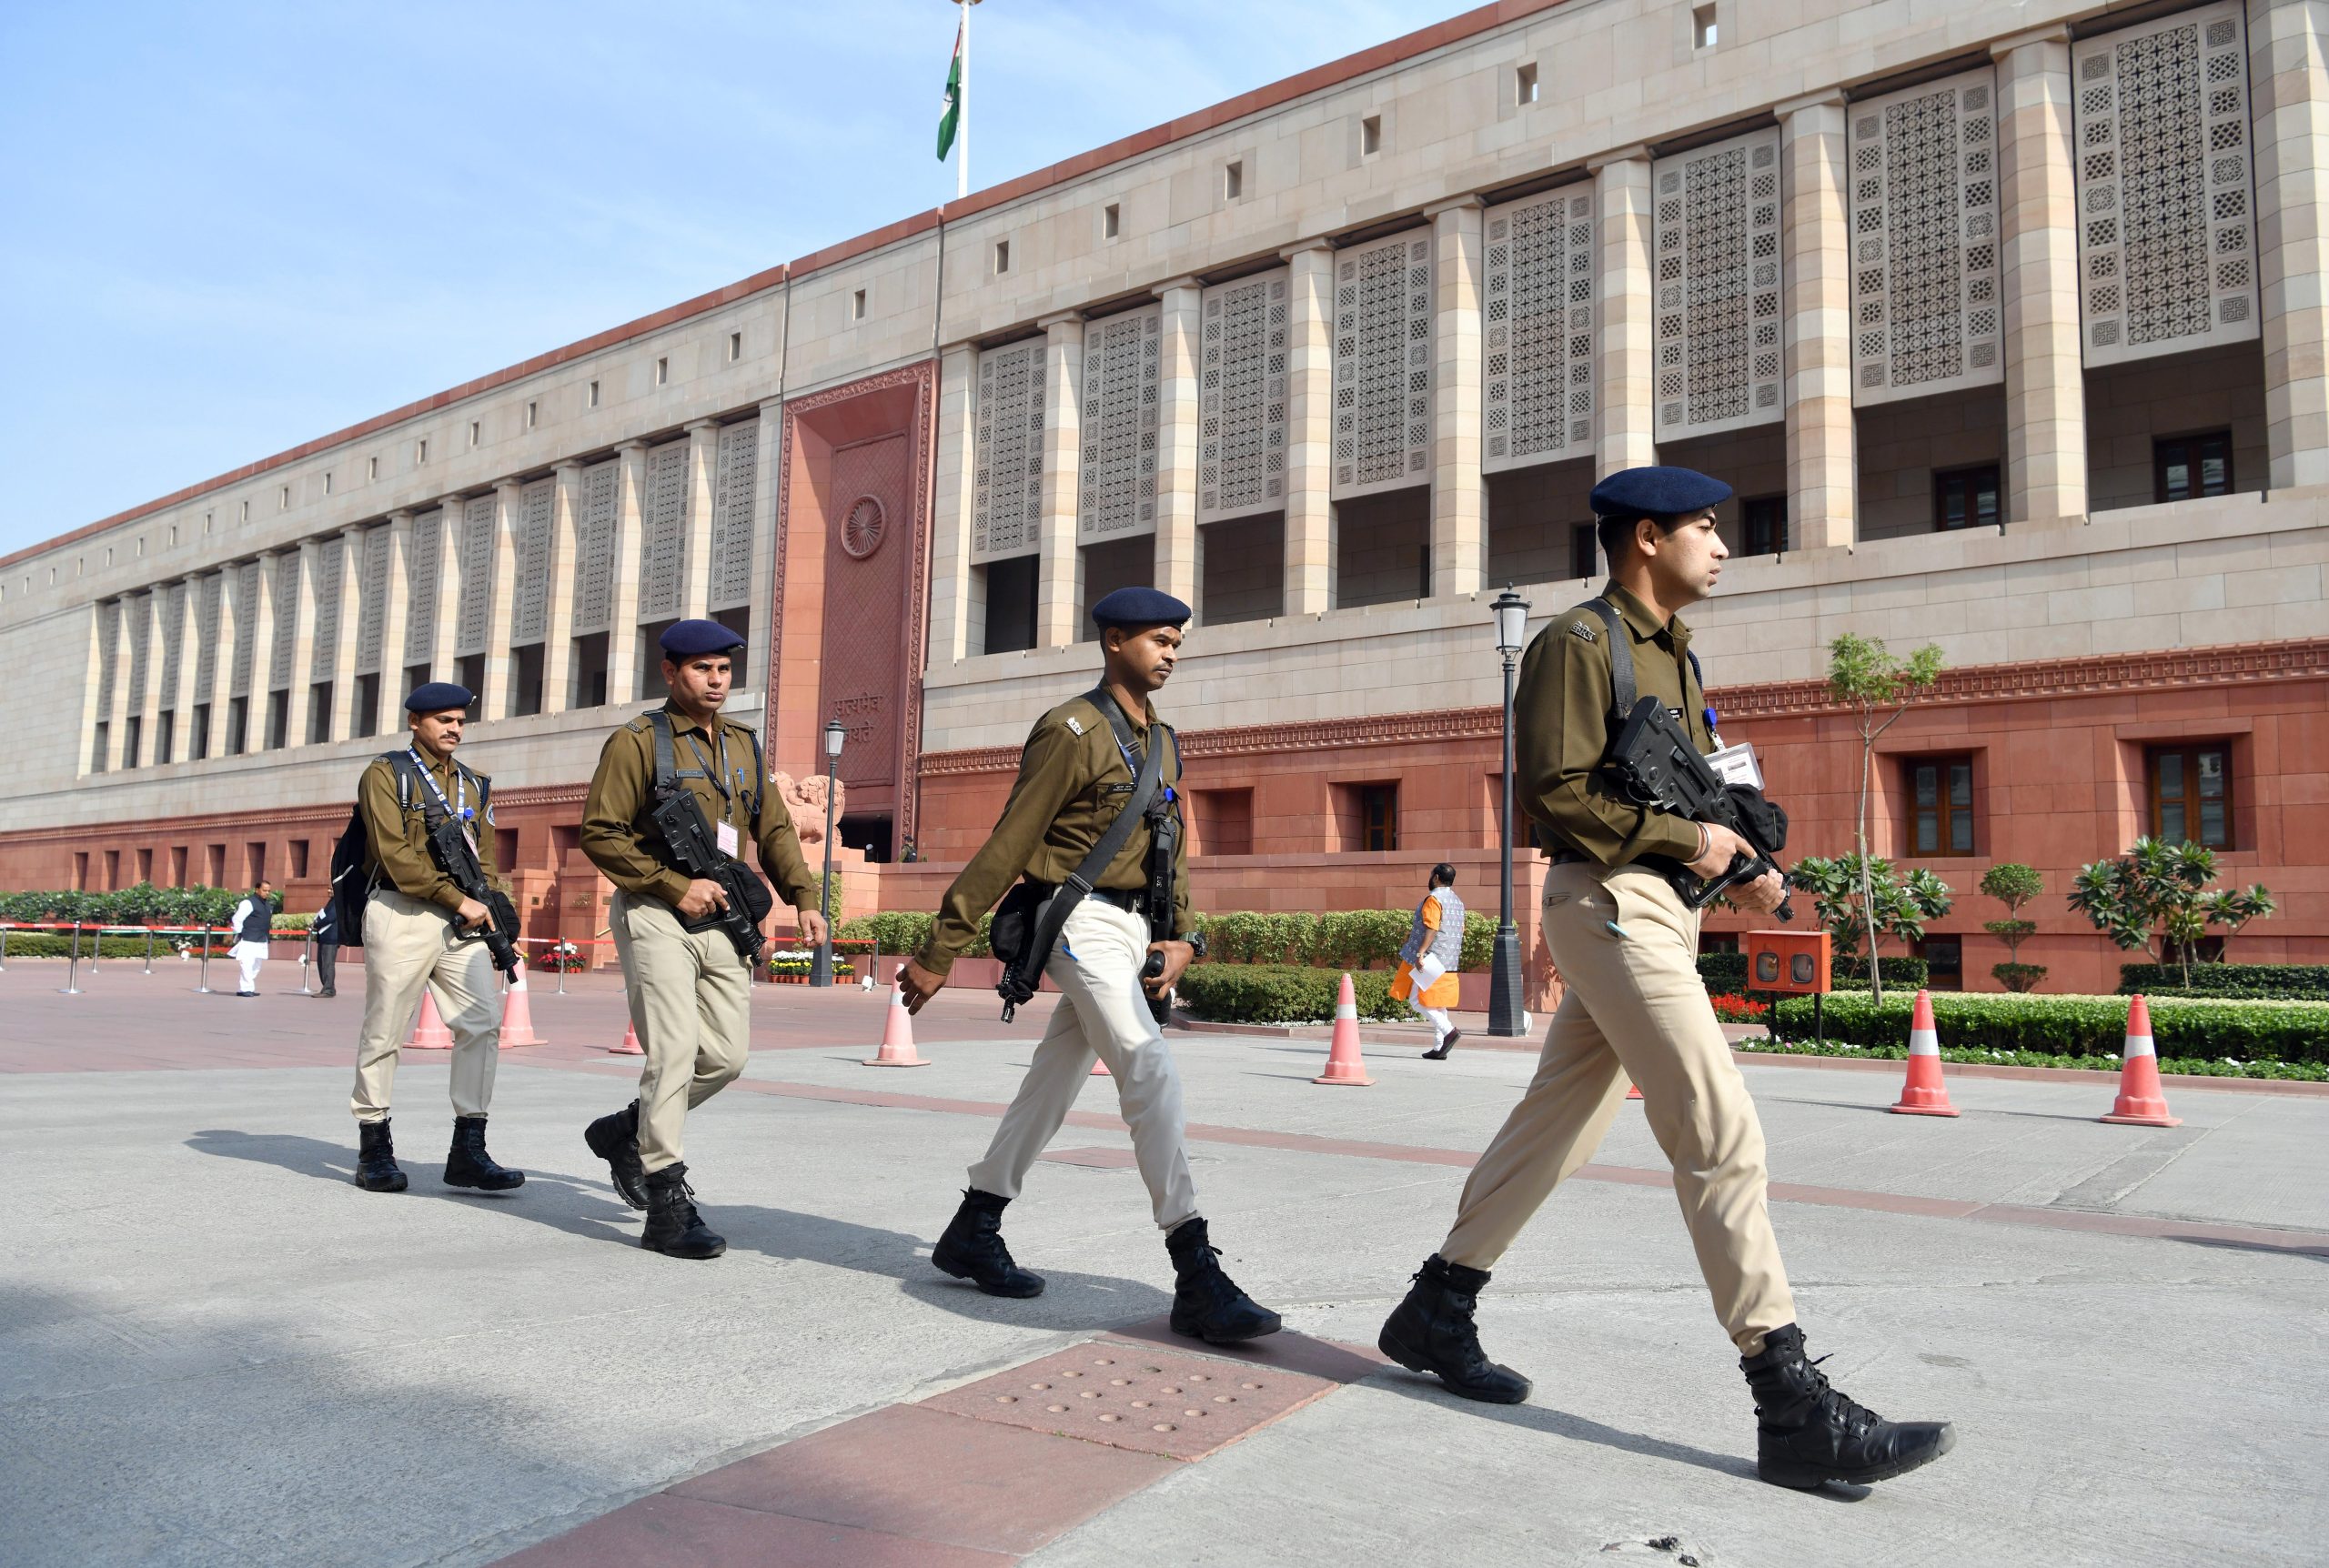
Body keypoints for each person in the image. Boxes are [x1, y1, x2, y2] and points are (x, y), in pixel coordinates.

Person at [1375, 467, 1954, 1491]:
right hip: (1609, 904)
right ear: (1645, 537)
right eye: (1702, 527)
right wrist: (1696, 839)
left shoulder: (1677, 657)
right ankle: (1790, 1399)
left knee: (1555, 1123)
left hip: (1655, 911)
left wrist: (1745, 864)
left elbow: (1688, 798)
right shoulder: (1577, 641)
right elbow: (1553, 794)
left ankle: (1437, 1305)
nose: (1721, 545)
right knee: (1717, 1130)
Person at [896, 587, 1279, 1345]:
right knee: (1148, 1065)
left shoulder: (1165, 740)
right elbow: (1010, 842)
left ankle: (975, 1226)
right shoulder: (1069, 731)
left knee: (1055, 1079)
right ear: (1113, 640)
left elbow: (1173, 849)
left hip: (1134, 930)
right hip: (1077, 920)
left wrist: (1184, 938)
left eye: (1177, 643)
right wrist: (942, 948)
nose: (1172, 653)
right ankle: (1194, 1267)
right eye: (1159, 640)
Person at [580, 619, 828, 1260]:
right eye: (701, 670)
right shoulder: (637, 742)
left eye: (723, 670)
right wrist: (670, 885)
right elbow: (601, 833)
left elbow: (773, 827)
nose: (716, 681)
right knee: (671, 1053)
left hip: (721, 917)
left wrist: (803, 897)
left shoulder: (743, 744)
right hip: (657, 912)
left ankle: (624, 1132)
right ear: (670, 672)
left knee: (724, 1057)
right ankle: (666, 1204)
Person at [346, 681, 523, 1196]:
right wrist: (459, 900)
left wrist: (487, 904)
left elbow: (484, 858)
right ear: (415, 723)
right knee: (385, 1029)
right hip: (402, 912)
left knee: (482, 1022)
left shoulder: (476, 783)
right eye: (443, 720)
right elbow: (395, 855)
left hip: (462, 919)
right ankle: (373, 1146)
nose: (453, 728)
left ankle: (468, 1148)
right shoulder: (387, 774)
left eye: (460, 721)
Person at [1394, 863, 1465, 1059]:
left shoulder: (1434, 899)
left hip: (1431, 958)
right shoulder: (1457, 901)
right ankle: (1439, 1047)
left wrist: (1420, 953)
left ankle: (1449, 1031)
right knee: (1439, 1003)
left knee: (1417, 1001)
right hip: (1449, 959)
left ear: (1436, 878)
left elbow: (1431, 928)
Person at [229, 880, 274, 997]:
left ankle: (246, 987)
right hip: (249, 938)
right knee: (247, 964)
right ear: (257, 890)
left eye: (269, 891)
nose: (267, 893)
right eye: (264, 890)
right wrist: (240, 933)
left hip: (262, 939)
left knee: (256, 966)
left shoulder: (267, 905)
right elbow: (237, 919)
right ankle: (246, 989)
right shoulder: (248, 903)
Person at [310, 897, 340, 998]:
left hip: (331, 937)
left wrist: (317, 924)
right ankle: (327, 988)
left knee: (327, 964)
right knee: (322, 963)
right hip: (325, 937)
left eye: (330, 888)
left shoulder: (338, 900)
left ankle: (328, 989)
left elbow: (330, 917)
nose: (329, 891)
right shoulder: (333, 900)